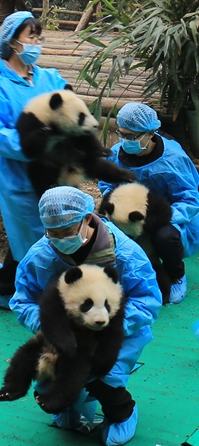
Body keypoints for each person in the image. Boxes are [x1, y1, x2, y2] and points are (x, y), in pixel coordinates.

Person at [11, 187, 161, 446]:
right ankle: (68, 406)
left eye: (67, 232)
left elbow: (147, 301)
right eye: (52, 233)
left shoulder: (125, 254)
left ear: (88, 219)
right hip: (62, 337)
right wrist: (53, 328)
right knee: (49, 388)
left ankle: (121, 411)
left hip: (116, 334)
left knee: (101, 376)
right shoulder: (40, 256)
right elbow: (23, 301)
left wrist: (106, 329)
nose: (59, 239)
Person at [0, 11, 70, 307]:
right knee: (29, 238)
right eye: (32, 37)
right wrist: (36, 145)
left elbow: (70, 105)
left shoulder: (47, 77)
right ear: (13, 42)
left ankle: (9, 287)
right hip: (18, 176)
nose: (37, 43)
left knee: (53, 233)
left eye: (39, 38)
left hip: (53, 172)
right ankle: (15, 293)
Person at [98, 103, 197, 304]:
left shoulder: (172, 159)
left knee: (165, 237)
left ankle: (176, 274)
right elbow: (106, 183)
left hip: (168, 216)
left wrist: (156, 219)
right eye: (122, 133)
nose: (125, 140)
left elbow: (190, 199)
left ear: (151, 133)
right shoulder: (117, 154)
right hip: (129, 215)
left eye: (132, 136)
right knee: (109, 232)